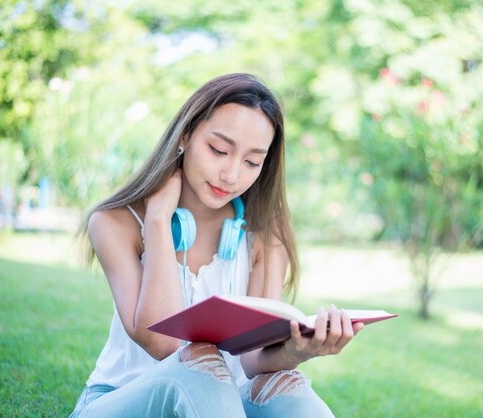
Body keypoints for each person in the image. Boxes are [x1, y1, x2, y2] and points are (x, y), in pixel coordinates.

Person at [70, 73, 364, 418]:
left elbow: (254, 359)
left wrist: (300, 350)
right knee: (202, 366)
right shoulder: (115, 222)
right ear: (185, 135)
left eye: (252, 162)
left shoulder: (266, 236)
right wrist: (159, 221)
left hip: (220, 408)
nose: (231, 174)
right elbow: (162, 342)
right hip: (122, 400)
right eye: (219, 150)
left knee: (290, 388)